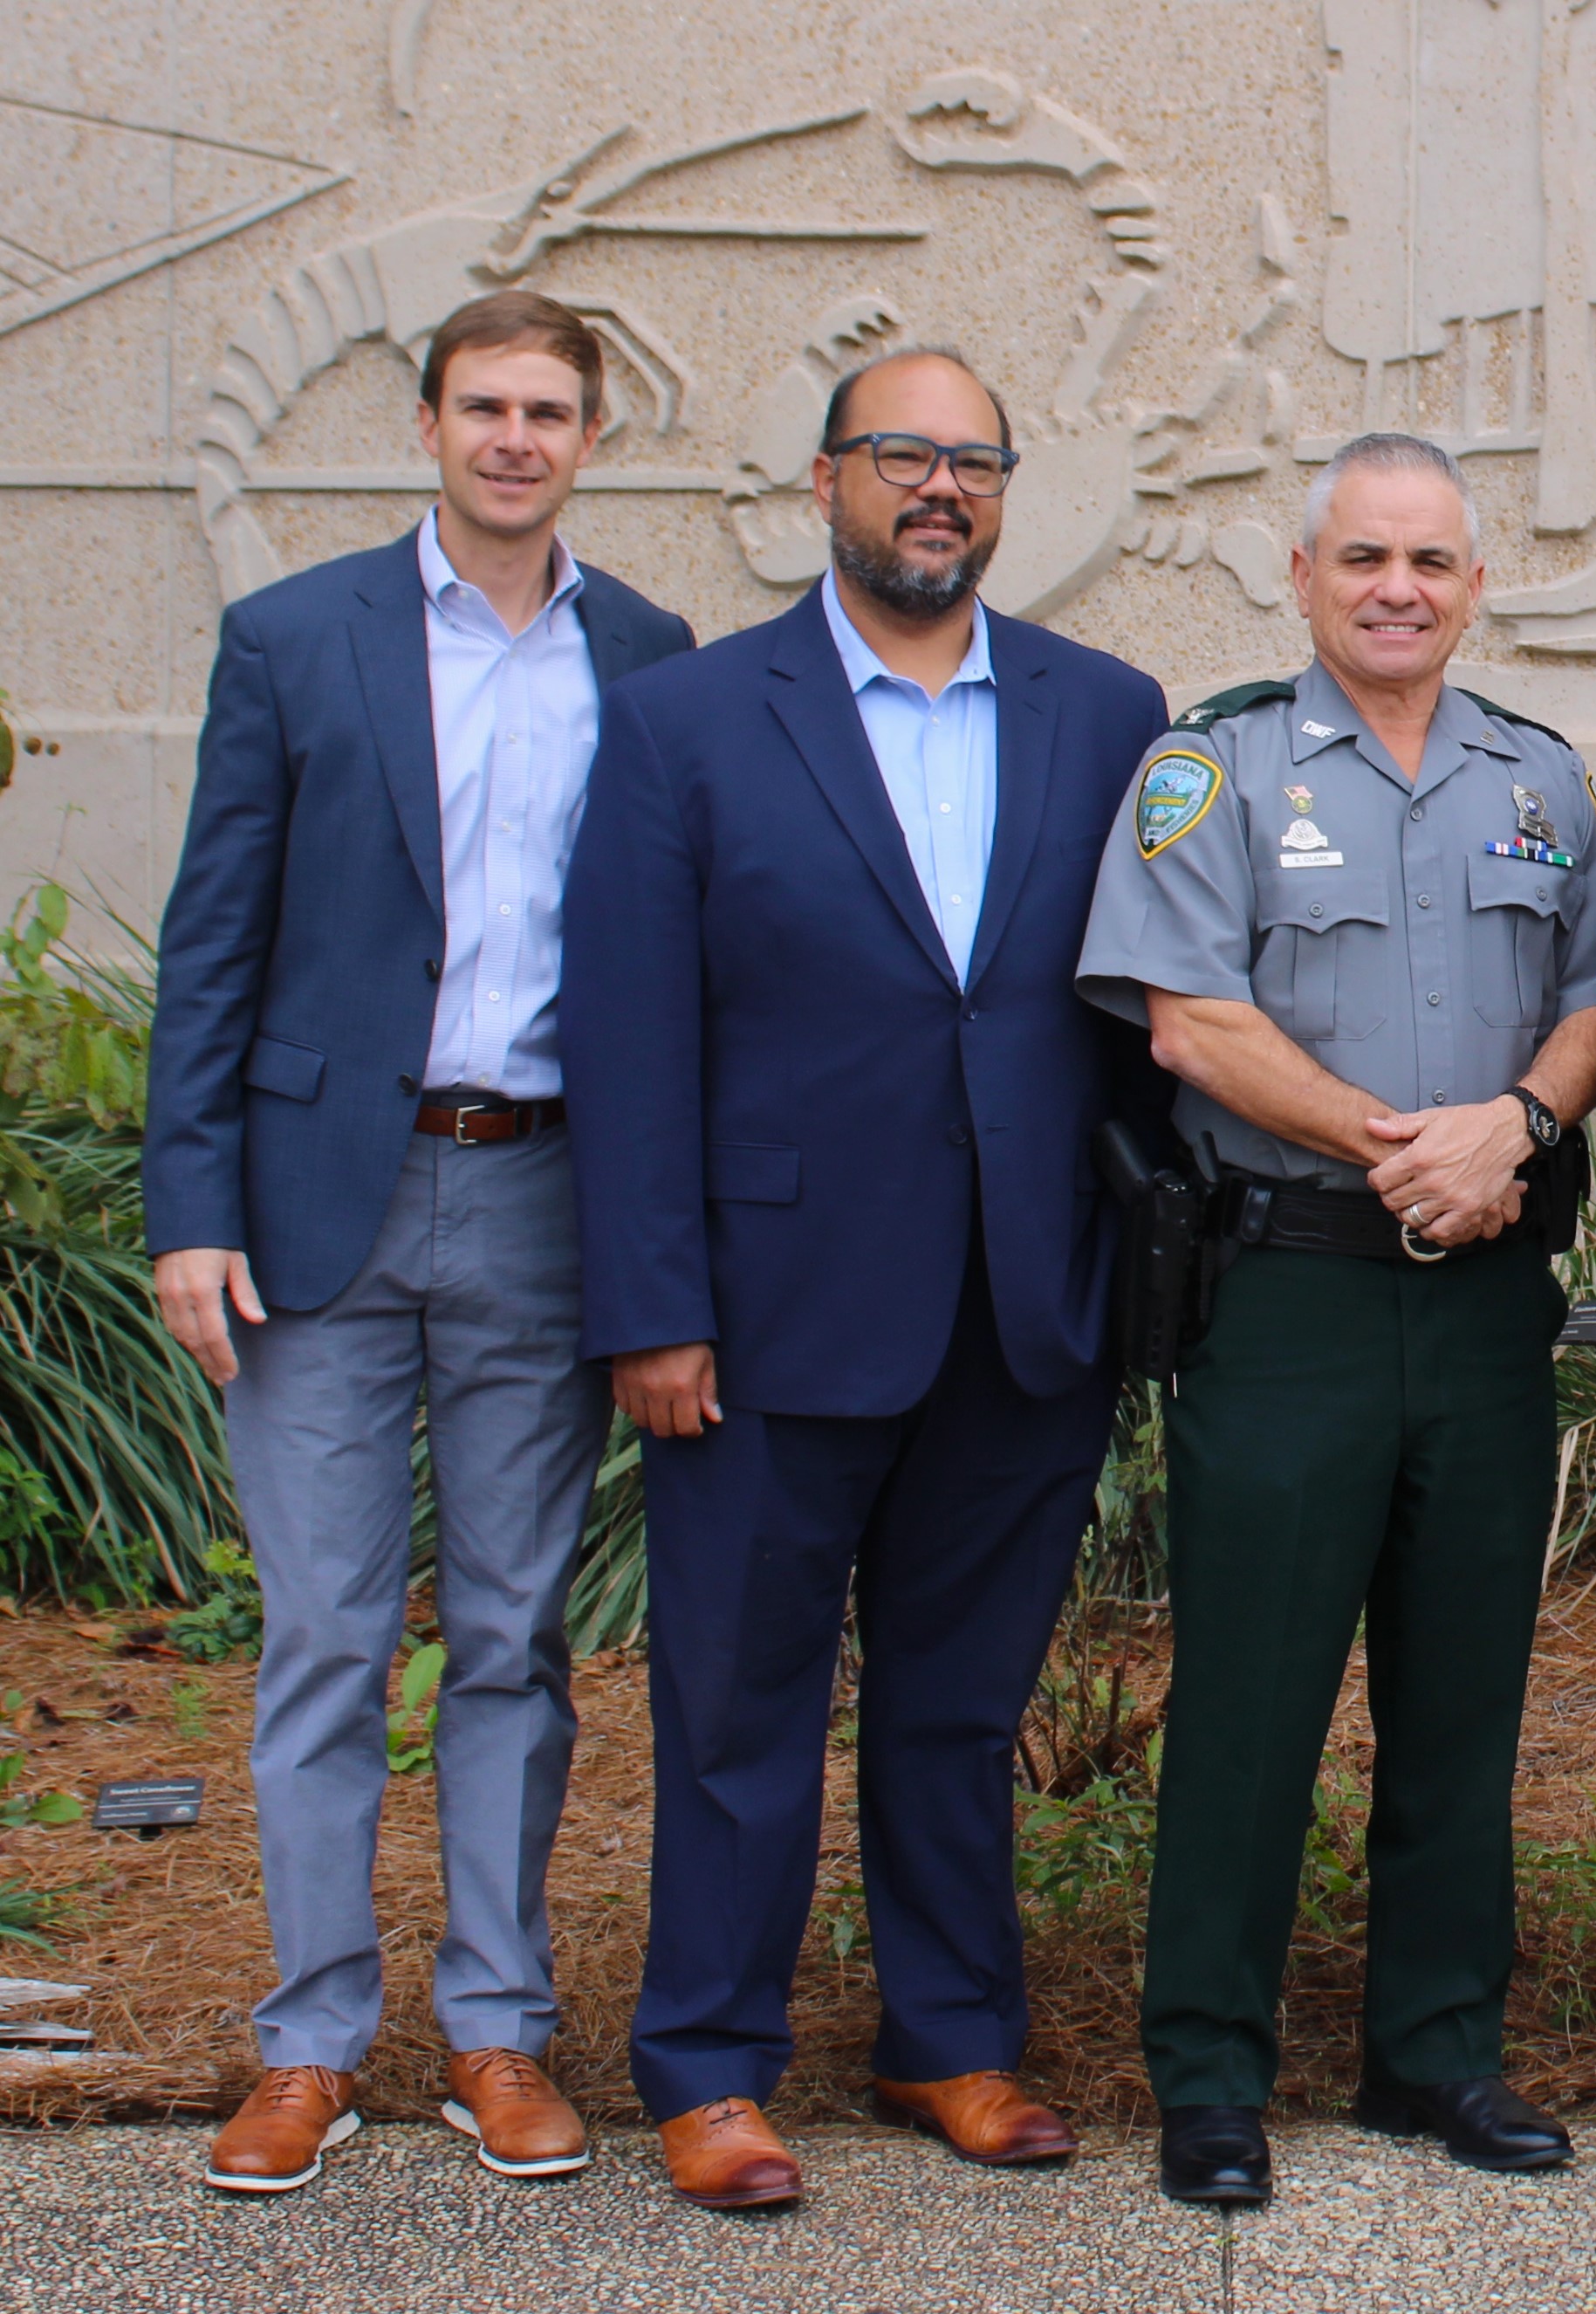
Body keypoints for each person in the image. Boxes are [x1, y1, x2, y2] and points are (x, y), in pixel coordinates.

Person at [565, 347, 1169, 2212]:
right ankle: (712, 2063)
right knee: (737, 1702)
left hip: (1021, 1306)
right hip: (761, 1309)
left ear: (1006, 491)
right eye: (899, 453)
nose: (936, 487)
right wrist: (650, 1305)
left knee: (959, 1700)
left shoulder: (1105, 710)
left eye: (971, 460)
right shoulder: (686, 719)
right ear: (822, 479)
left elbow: (1134, 1017)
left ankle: (950, 2038)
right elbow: (629, 1028)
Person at [142, 292, 694, 2195]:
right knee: (323, 1633)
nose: (516, 438)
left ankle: (495, 2028)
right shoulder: (296, 639)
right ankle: (306, 2043)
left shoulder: (650, 655)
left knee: (516, 1634)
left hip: (542, 1191)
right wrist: (189, 1210)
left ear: (591, 437)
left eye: (551, 410)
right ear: (432, 425)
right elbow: (211, 941)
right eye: (485, 407)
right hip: (320, 1205)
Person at [1074, 435, 1596, 2212]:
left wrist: (1518, 1131)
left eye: (1433, 562)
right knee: (1251, 1696)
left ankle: (1436, 2049)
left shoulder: (1539, 783)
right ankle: (1214, 2071)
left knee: (1463, 1694)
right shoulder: (1214, 766)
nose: (1400, 587)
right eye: (1365, 557)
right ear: (1303, 578)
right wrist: (1406, 1148)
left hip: (1483, 1301)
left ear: (1476, 587)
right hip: (1291, 1289)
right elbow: (1189, 1024)